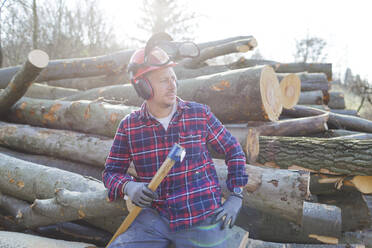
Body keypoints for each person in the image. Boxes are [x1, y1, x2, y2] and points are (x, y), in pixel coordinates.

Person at [103, 44, 248, 248]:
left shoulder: (198, 114)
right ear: (142, 86)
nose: (172, 85)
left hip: (201, 217)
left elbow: (234, 151)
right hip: (154, 219)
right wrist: (129, 186)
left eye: (173, 78)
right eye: (164, 80)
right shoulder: (130, 126)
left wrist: (236, 195)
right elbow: (111, 173)